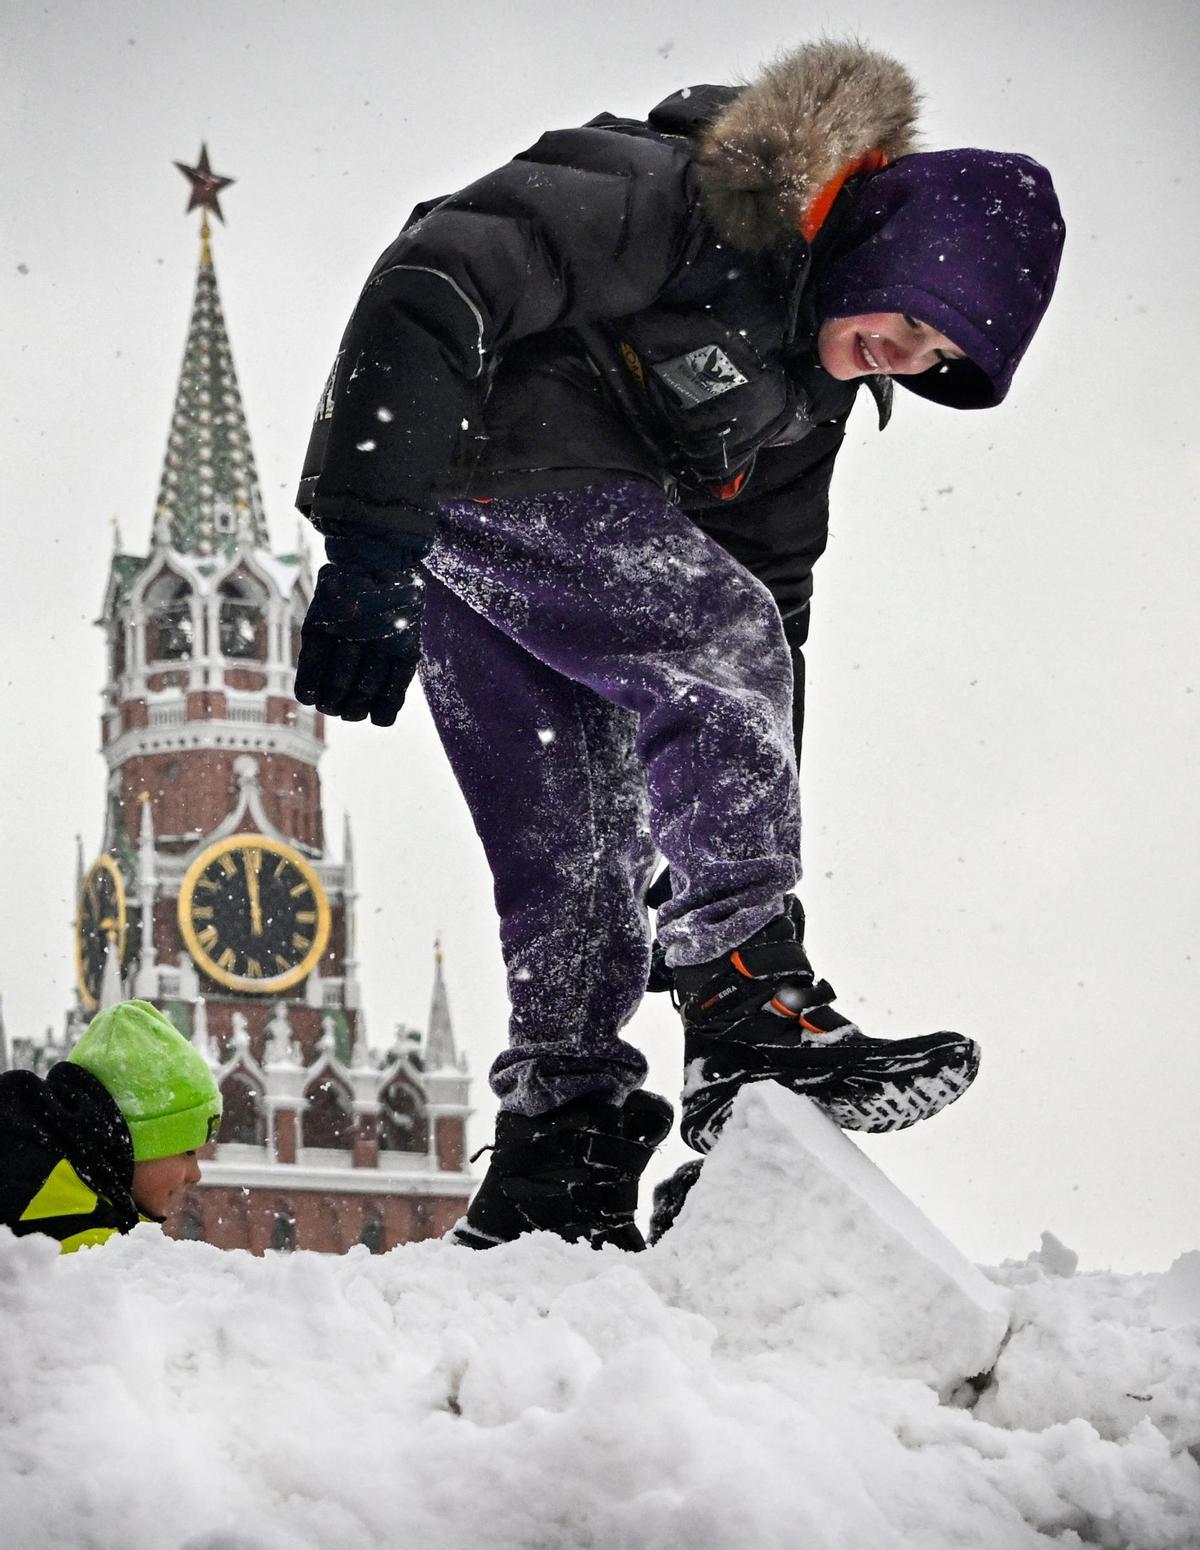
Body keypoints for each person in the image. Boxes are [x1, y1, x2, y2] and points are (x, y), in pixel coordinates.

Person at [293, 40, 1064, 1251]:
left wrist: (723, 830)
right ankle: (749, 999)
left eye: (937, 358)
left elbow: (774, 605)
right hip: (483, 460)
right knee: (709, 633)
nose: (904, 358)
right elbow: (436, 279)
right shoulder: (688, 193)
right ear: (875, 244)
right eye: (908, 318)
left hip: (519, 562)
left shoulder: (808, 403)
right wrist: (365, 539)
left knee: (576, 841)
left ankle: (564, 1142)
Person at [0, 999, 222, 1253]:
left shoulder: (45, 1174)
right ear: (141, 1143)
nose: (195, 1175)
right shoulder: (83, 1239)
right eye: (188, 1152)